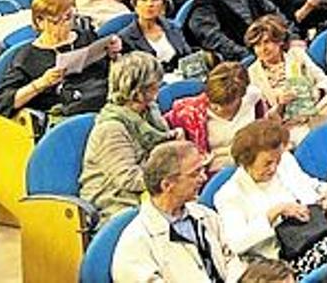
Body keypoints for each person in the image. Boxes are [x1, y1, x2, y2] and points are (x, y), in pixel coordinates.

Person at [213, 119, 327, 276]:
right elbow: (237, 243)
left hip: (317, 233)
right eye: (267, 163)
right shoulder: (229, 195)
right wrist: (274, 213)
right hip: (277, 261)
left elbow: (310, 184)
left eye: (277, 160)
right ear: (246, 161)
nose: (274, 168)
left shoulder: (285, 161)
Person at [111, 140, 245, 283]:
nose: (204, 178)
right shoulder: (136, 243)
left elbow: (232, 258)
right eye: (195, 174)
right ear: (167, 185)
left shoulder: (207, 216)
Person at [80, 52, 181, 219]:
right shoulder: (111, 128)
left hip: (150, 186)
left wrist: (175, 138)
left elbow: (162, 145)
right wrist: (173, 178)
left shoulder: (150, 111)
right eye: (154, 85)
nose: (159, 86)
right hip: (116, 198)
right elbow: (128, 179)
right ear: (139, 89)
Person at [0, 0, 115, 119]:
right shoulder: (27, 56)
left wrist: (113, 53)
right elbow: (3, 102)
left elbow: (107, 71)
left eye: (68, 17)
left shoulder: (86, 37)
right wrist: (41, 83)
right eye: (56, 21)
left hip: (104, 99)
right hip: (69, 112)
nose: (65, 25)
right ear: (40, 22)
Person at [164, 61, 271, 172]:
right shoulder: (188, 112)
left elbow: (264, 136)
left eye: (224, 104)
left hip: (251, 164)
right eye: (212, 101)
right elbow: (164, 135)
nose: (216, 108)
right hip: (212, 173)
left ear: (240, 96)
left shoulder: (254, 100)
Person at [244, 15, 327, 143]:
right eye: (257, 45)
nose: (263, 49)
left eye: (267, 42)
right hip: (287, 125)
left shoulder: (297, 54)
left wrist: (317, 92)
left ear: (280, 41)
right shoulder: (252, 72)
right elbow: (263, 117)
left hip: (316, 110)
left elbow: (326, 81)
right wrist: (280, 104)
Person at [117, 0, 198, 74]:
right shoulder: (125, 37)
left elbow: (188, 57)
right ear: (135, 5)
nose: (149, 4)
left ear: (163, 5)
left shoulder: (173, 27)